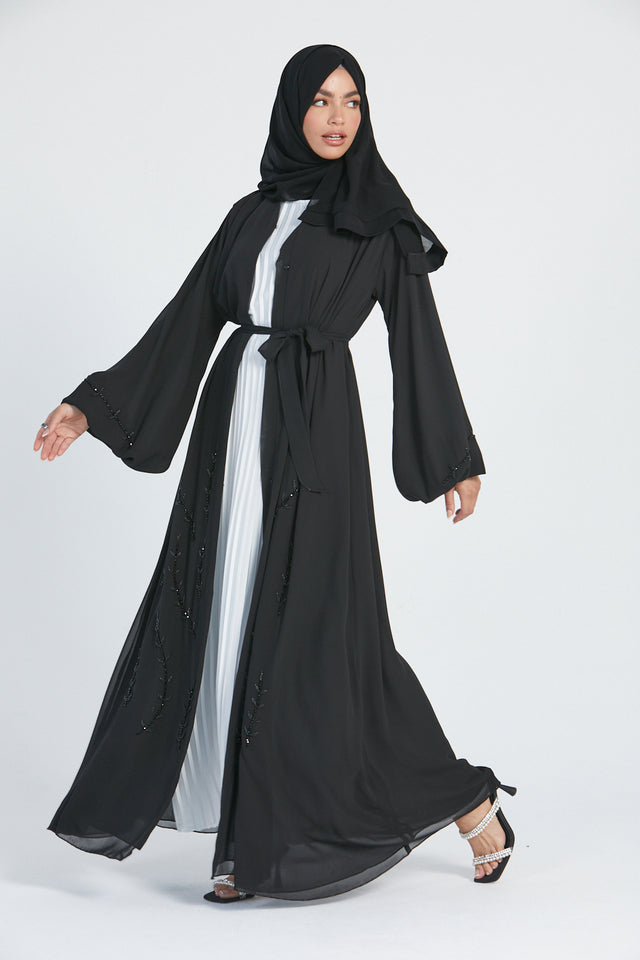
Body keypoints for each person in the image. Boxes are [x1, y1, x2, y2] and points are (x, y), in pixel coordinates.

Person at [34, 44, 517, 904]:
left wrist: (453, 456)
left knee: (328, 639)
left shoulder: (379, 219)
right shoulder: (250, 215)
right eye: (322, 100)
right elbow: (190, 317)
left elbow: (418, 340)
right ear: (292, 109)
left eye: (352, 101)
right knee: (223, 619)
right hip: (232, 434)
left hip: (314, 430)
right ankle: (247, 846)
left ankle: (466, 798)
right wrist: (92, 404)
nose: (338, 117)